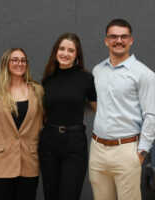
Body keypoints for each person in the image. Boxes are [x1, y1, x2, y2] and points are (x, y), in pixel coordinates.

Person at [89, 19, 155, 200]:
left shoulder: (144, 74)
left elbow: (151, 116)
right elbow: (97, 106)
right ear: (106, 41)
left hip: (127, 150)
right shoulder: (97, 71)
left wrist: (141, 152)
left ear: (131, 40)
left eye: (123, 36)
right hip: (97, 150)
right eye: (113, 36)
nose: (118, 40)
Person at [39, 33, 97, 200]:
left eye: (70, 50)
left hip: (74, 142)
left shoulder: (86, 78)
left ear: (77, 54)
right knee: (51, 195)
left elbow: (95, 108)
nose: (65, 53)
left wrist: (76, 116)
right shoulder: (48, 77)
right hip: (49, 141)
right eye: (62, 49)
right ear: (56, 51)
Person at [0, 48, 44, 200]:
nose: (19, 63)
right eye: (15, 60)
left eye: (23, 60)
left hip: (29, 161)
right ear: (6, 63)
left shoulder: (38, 91)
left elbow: (49, 119)